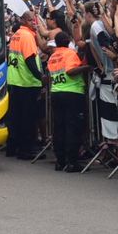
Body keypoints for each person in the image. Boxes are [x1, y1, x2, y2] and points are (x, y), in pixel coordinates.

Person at [47, 30, 89, 172]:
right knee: (73, 127)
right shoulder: (70, 53)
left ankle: (60, 161)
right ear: (68, 41)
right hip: (72, 92)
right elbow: (71, 71)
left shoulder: (53, 56)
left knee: (59, 127)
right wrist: (86, 68)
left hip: (56, 92)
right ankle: (72, 162)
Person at [6, 10, 45, 158]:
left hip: (15, 81)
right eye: (30, 20)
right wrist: (40, 77)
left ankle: (12, 147)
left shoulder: (16, 35)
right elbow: (29, 60)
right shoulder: (27, 36)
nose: (33, 23)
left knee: (15, 117)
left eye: (34, 20)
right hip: (26, 82)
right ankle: (27, 150)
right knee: (28, 118)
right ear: (23, 21)